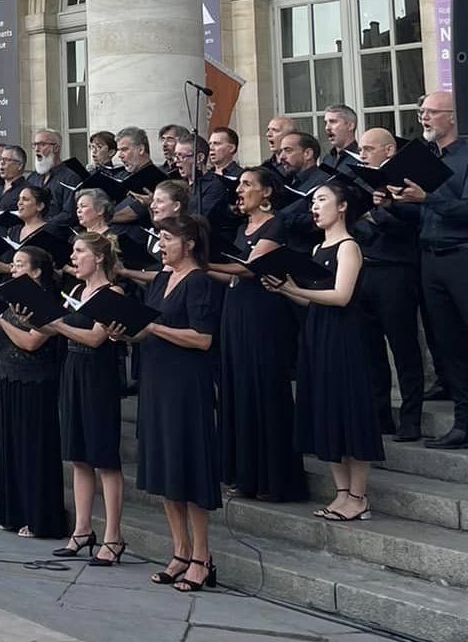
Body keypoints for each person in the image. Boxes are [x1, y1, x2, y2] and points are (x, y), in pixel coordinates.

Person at [108, 215, 221, 592]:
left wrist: (155, 328)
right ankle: (179, 551)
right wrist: (122, 330)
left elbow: (202, 338)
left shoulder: (200, 281)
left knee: (189, 468)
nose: (161, 245)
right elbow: (145, 327)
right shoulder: (159, 279)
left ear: (188, 242)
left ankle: (202, 557)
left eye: (167, 239)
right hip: (156, 381)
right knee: (167, 470)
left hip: (187, 386)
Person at [266, 182, 383, 521]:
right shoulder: (318, 249)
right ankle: (341, 493)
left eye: (322, 200)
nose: (314, 207)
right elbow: (312, 299)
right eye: (313, 202)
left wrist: (295, 288)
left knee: (349, 411)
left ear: (342, 207)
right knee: (326, 410)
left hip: (344, 337)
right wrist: (286, 290)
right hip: (317, 334)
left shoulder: (348, 247)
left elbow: (341, 296)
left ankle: (358, 496)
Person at [207, 168, 308, 502]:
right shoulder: (240, 226)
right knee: (237, 388)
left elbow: (251, 267)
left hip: (263, 311)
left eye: (248, 184)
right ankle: (244, 473)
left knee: (262, 386)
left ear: (266, 193)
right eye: (240, 184)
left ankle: (274, 478)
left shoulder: (275, 223)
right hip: (235, 309)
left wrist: (201, 263)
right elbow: (232, 275)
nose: (241, 189)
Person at [379, 92, 468, 449]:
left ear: (451, 117)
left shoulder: (464, 156)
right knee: (447, 343)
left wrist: (427, 198)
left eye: (431, 112)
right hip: (429, 258)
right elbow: (422, 214)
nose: (424, 118)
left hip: (460, 255)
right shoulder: (423, 159)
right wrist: (392, 204)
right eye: (421, 112)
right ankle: (463, 421)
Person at [44, 233, 127, 565]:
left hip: (99, 374)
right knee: (78, 455)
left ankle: (113, 536)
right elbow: (58, 327)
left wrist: (58, 325)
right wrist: (33, 315)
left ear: (99, 258)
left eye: (79, 251)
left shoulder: (114, 293)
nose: (73, 257)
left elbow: (96, 337)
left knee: (104, 457)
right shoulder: (77, 291)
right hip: (73, 369)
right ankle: (81, 530)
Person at [0, 246, 67, 539]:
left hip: (36, 382)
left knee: (34, 450)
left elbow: (31, 342)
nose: (13, 269)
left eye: (20, 264)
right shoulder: (12, 301)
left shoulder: (46, 300)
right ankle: (15, 512)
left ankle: (38, 517)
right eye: (12, 264)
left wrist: (1, 321)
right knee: (11, 448)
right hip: (10, 377)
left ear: (36, 271)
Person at [354, 128, 427, 441]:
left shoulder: (409, 183)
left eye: (369, 148)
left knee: (404, 348)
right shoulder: (361, 179)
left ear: (389, 150)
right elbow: (355, 221)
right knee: (371, 350)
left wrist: (380, 216)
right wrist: (375, 218)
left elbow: (410, 225)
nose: (364, 154)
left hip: (397, 272)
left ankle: (411, 418)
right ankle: (381, 414)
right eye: (361, 149)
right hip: (366, 269)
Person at [28, 128, 82, 225]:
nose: (37, 149)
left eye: (42, 144)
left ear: (56, 148)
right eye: (35, 145)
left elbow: (69, 214)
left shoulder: (70, 178)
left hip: (57, 234)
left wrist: (43, 225)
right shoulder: (33, 177)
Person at [323, 104, 361, 170]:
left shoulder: (361, 158)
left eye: (333, 122)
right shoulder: (327, 158)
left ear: (350, 126)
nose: (327, 127)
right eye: (326, 123)